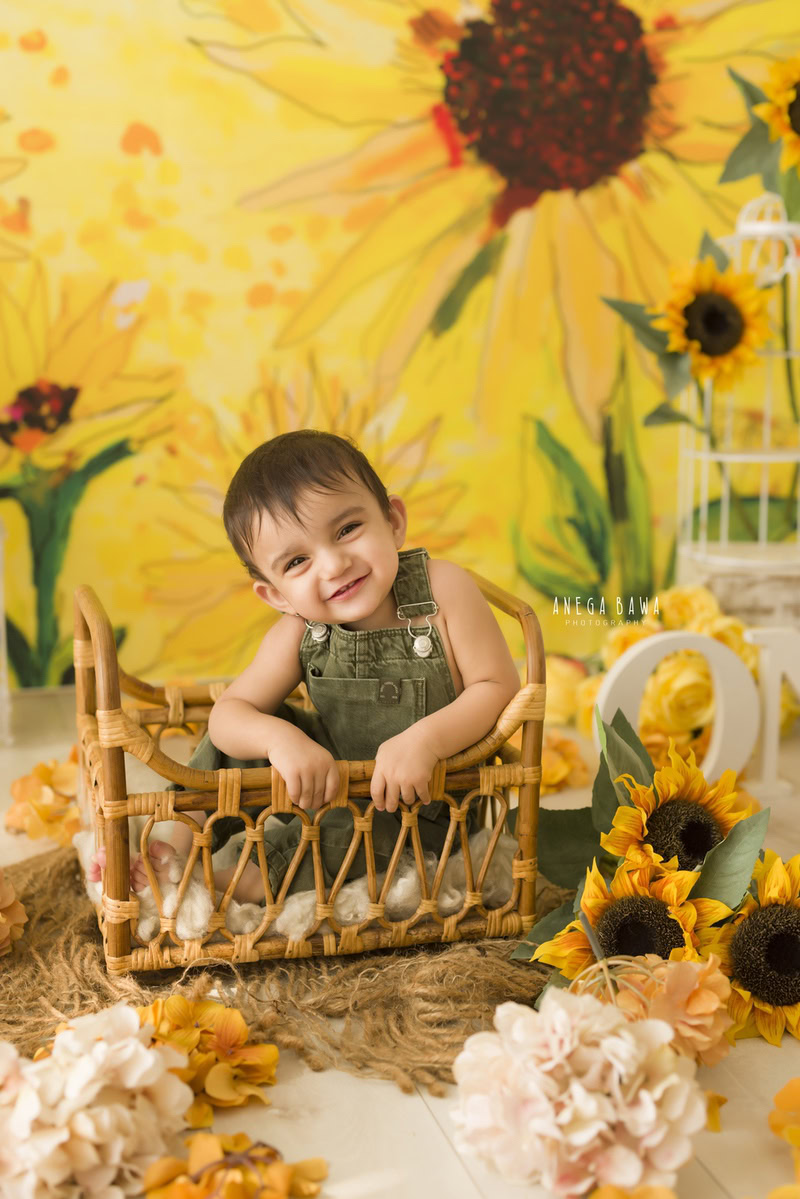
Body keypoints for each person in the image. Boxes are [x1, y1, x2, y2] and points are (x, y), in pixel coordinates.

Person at [145, 429, 521, 906]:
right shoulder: (300, 629)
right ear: (277, 595)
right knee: (242, 738)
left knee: (361, 838)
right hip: (327, 777)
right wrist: (281, 741)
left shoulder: (443, 591)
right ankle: (171, 850)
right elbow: (227, 716)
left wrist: (425, 741)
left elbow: (498, 686)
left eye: (347, 530)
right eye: (298, 560)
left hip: (423, 802)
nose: (334, 564)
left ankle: (251, 885)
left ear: (393, 521)